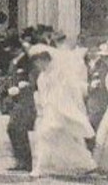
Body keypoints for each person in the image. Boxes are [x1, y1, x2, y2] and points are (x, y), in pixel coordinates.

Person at [28, 44, 96, 178]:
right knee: (56, 138)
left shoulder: (59, 73)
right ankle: (84, 163)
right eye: (37, 63)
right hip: (49, 110)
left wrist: (60, 108)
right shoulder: (42, 77)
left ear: (47, 60)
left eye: (41, 61)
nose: (39, 65)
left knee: (46, 134)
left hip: (59, 109)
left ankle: (40, 168)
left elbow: (65, 91)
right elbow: (42, 94)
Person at [4, 70, 37, 171]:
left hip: (27, 110)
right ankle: (21, 161)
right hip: (20, 109)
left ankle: (26, 162)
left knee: (18, 131)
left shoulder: (26, 85)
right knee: (13, 130)